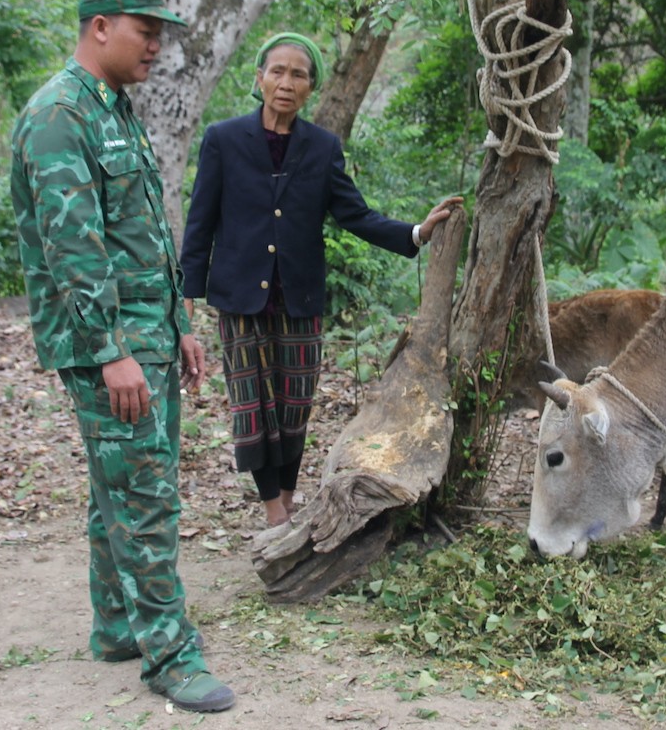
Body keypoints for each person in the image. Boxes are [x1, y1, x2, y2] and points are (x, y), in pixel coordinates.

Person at [10, 0, 234, 713]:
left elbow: (141, 236)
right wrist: (110, 351)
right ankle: (170, 655)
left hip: (147, 336)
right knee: (145, 499)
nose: (157, 45)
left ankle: (116, 626)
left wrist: (178, 325)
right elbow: (73, 248)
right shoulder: (58, 115)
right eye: (146, 30)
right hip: (111, 347)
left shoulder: (114, 108)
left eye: (161, 31)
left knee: (121, 491)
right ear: (98, 26)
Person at [180, 32, 461, 529]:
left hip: (300, 298)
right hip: (239, 297)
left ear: (311, 87)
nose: (286, 83)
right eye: (277, 72)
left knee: (293, 407)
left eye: (299, 75)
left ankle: (288, 499)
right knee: (253, 408)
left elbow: (355, 215)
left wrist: (417, 232)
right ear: (259, 79)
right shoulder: (223, 140)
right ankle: (274, 515)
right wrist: (187, 293)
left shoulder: (322, 147)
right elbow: (200, 221)